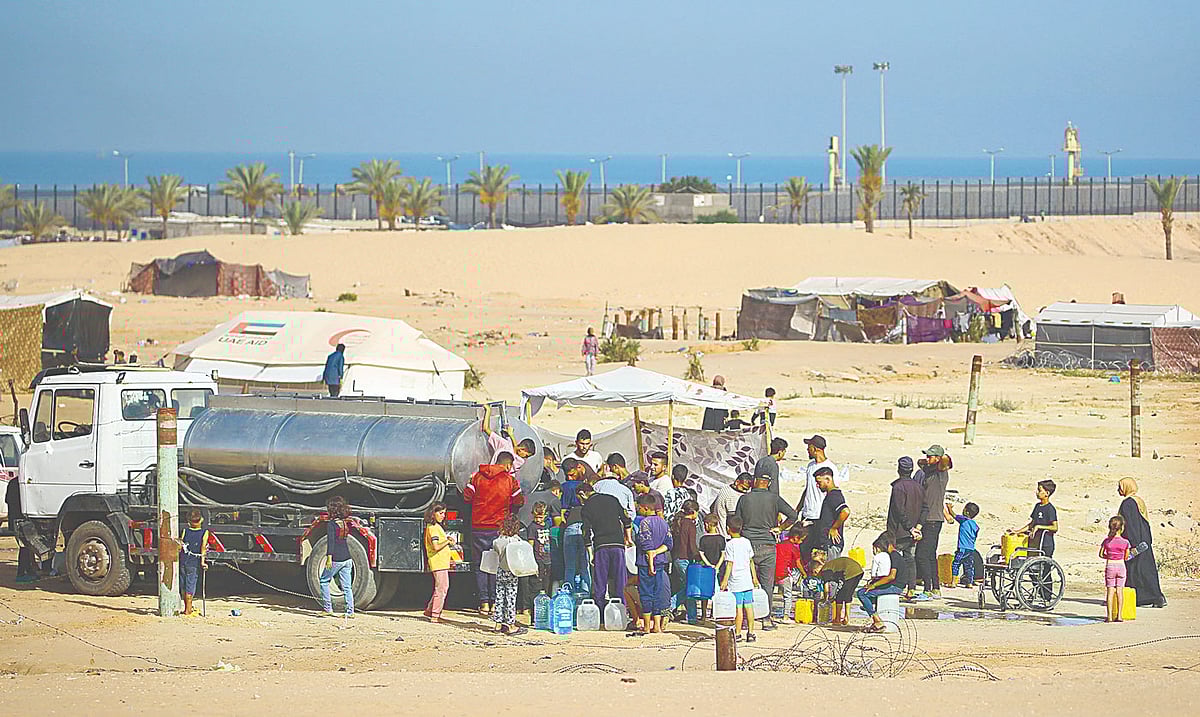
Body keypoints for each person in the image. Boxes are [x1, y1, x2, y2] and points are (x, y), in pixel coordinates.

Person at [464, 452, 526, 615]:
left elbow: (467, 497)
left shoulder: (477, 477)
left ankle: (484, 603)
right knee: (497, 566)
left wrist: (469, 483)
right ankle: (495, 603)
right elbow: (519, 501)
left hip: (478, 527)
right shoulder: (509, 480)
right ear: (507, 465)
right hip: (499, 529)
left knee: (480, 566)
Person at [735, 472, 798, 628]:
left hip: (748, 545)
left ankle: (744, 620)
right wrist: (780, 528)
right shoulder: (774, 499)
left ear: (755, 481)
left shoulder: (744, 499)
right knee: (767, 585)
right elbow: (793, 515)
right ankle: (766, 619)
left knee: (746, 584)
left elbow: (737, 521)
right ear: (768, 483)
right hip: (768, 546)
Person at [579, 482, 633, 610]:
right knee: (621, 580)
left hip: (601, 546)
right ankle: (622, 609)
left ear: (582, 494)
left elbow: (586, 532)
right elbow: (626, 520)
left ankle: (600, 611)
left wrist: (590, 554)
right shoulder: (612, 499)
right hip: (618, 544)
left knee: (600, 581)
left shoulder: (587, 507)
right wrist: (629, 539)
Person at [1117, 478, 1166, 608]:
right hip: (1144, 540)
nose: (1118, 490)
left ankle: (1149, 597)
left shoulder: (1128, 503)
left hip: (1136, 542)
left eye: (1120, 487)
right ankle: (1153, 597)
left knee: (1137, 570)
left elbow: (1131, 525)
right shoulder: (1138, 501)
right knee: (1146, 569)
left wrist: (1132, 544)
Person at [913, 445, 951, 601]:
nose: (927, 459)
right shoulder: (930, 472)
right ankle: (935, 588)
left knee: (921, 555)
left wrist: (939, 458)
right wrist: (930, 461)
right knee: (929, 555)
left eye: (931, 456)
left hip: (932, 519)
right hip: (932, 518)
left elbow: (946, 462)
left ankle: (928, 589)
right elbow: (919, 462)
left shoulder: (941, 473)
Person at [635, 494, 673, 634]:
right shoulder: (663, 522)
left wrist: (651, 562)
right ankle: (657, 626)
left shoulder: (645, 523)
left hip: (646, 564)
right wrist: (657, 552)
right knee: (657, 593)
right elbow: (669, 544)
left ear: (645, 508)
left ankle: (646, 626)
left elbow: (647, 547)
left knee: (646, 593)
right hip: (661, 562)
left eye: (639, 507)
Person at [886, 456, 924, 599]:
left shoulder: (898, 487)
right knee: (910, 558)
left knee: (894, 557)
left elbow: (899, 510)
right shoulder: (919, 487)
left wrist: (909, 528)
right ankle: (911, 589)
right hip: (913, 530)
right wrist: (917, 527)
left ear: (899, 469)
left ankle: (893, 586)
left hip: (898, 531)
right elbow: (925, 508)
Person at [720, 515, 759, 642]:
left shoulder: (730, 544)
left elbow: (729, 564)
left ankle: (737, 633)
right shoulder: (746, 542)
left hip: (735, 581)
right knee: (749, 607)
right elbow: (751, 561)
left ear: (727, 529)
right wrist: (754, 578)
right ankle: (751, 632)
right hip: (747, 580)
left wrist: (725, 580)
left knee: (738, 608)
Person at [857, 532, 902, 633]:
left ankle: (877, 621)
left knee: (861, 593)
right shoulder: (895, 555)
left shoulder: (894, 556)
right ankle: (870, 609)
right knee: (868, 594)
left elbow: (891, 576)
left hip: (895, 586)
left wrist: (874, 585)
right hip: (895, 585)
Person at [319, 496, 355, 618]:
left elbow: (331, 542)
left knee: (324, 581)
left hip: (336, 559)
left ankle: (328, 608)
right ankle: (350, 612)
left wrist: (329, 557)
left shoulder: (331, 524)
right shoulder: (344, 523)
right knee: (347, 587)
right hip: (348, 558)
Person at [423, 502, 458, 623]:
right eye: (441, 513)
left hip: (441, 562)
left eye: (444, 513)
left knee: (440, 587)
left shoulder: (435, 527)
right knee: (442, 588)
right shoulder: (433, 529)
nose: (443, 515)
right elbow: (436, 546)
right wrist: (448, 541)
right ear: (433, 513)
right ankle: (435, 615)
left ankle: (430, 611)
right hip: (438, 562)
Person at [491, 517, 524, 635]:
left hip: (500, 571)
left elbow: (495, 549)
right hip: (512, 571)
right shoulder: (516, 541)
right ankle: (511, 624)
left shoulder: (497, 541)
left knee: (499, 597)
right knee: (510, 598)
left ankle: (497, 624)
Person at [670, 499, 701, 624]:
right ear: (693, 512)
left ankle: (691, 616)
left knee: (687, 587)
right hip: (685, 559)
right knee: (690, 588)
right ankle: (669, 606)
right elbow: (692, 545)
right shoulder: (690, 525)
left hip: (677, 558)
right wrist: (699, 558)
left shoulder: (678, 522)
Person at [481, 404, 537, 472]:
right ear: (522, 449)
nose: (526, 458)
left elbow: (515, 450)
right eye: (526, 456)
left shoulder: (520, 460)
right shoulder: (505, 444)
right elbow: (486, 429)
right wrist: (488, 411)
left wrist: (511, 436)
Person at [1011, 479, 1058, 558]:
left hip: (1045, 544)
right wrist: (1017, 532)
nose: (1037, 492)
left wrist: (1038, 526)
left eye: (1039, 490)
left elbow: (1055, 527)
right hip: (1034, 542)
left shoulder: (1050, 509)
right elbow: (1031, 524)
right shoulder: (1037, 506)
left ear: (1047, 493)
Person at [810, 467, 848, 560]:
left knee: (829, 572)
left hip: (831, 545)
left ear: (828, 479)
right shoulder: (830, 496)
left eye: (819, 482)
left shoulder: (834, 496)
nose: (818, 486)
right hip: (826, 544)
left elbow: (845, 511)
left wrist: (834, 528)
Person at [524, 502, 554, 617]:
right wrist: (531, 561)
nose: (538, 519)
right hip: (537, 559)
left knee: (546, 585)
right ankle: (533, 610)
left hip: (547, 558)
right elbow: (530, 545)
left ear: (545, 515)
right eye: (536, 517)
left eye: (540, 517)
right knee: (535, 586)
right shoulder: (532, 527)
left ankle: (545, 609)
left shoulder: (547, 525)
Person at [6, 476, 37, 584]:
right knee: (24, 547)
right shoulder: (22, 484)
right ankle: (21, 573)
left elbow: (7, 500)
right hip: (21, 521)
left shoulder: (12, 483)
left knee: (26, 547)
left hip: (14, 519)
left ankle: (28, 571)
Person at [1100, 516, 1132, 622]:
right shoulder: (1125, 542)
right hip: (1121, 566)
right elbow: (1126, 557)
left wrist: (1108, 556)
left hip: (1110, 566)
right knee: (1119, 591)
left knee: (1110, 592)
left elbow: (1101, 554)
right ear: (1122, 527)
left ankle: (1109, 616)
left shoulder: (1106, 541)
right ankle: (1119, 616)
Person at [798, 435, 836, 524]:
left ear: (815, 449)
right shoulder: (810, 465)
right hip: (807, 514)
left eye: (809, 447)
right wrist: (798, 509)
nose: (807, 450)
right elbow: (808, 489)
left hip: (820, 516)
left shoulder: (830, 468)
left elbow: (832, 492)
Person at [819, 552, 864, 626]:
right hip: (859, 571)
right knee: (848, 595)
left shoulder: (825, 570)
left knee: (840, 596)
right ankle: (846, 618)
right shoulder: (831, 566)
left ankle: (838, 619)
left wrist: (825, 599)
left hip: (851, 571)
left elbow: (826, 588)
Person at [179, 510, 209, 617]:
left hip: (183, 560)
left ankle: (186, 607)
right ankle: (188, 610)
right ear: (201, 520)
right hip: (194, 561)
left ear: (189, 521)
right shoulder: (204, 532)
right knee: (190, 585)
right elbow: (203, 548)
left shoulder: (185, 531)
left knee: (183, 584)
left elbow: (181, 544)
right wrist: (203, 562)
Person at [697, 513, 727, 621]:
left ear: (708, 524)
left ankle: (704, 615)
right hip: (719, 568)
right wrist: (717, 566)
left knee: (704, 592)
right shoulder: (721, 539)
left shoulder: (703, 539)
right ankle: (715, 613)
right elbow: (723, 554)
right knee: (717, 591)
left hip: (706, 568)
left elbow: (701, 553)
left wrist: (708, 564)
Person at [944, 501, 980, 588]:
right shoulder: (975, 524)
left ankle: (953, 582)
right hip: (971, 548)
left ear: (966, 512)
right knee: (969, 566)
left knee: (956, 563)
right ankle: (969, 583)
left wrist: (949, 508)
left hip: (962, 548)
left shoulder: (963, 520)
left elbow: (954, 515)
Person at [775, 525, 807, 620]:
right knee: (788, 595)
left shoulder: (780, 544)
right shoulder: (794, 548)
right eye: (801, 540)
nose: (801, 542)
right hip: (784, 574)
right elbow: (798, 563)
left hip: (774, 573)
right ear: (796, 537)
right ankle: (786, 616)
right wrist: (804, 573)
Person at [711, 472, 752, 538]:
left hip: (718, 532)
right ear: (737, 482)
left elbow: (712, 507)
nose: (745, 492)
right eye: (743, 488)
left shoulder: (724, 489)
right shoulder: (732, 496)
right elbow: (735, 519)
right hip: (726, 535)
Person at [595, 453, 635, 518]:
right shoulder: (621, 482)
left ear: (615, 467)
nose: (610, 471)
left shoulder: (633, 483)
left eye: (611, 468)